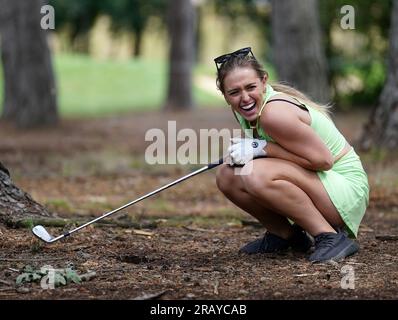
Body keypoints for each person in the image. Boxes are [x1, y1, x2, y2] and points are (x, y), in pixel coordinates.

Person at [214, 47, 369, 262]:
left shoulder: (273, 113)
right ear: (225, 95)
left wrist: (260, 149)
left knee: (255, 174)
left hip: (345, 187)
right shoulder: (246, 110)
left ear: (264, 81)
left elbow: (323, 161)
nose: (244, 97)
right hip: (319, 183)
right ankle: (285, 236)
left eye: (251, 87)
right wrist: (249, 151)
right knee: (227, 175)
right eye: (234, 92)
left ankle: (330, 236)